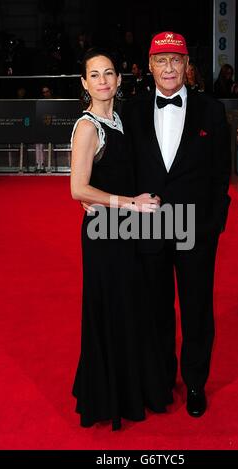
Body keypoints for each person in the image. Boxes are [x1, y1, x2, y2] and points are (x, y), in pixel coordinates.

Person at [123, 32, 231, 417]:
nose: (169, 68)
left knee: (197, 307)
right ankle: (162, 378)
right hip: (148, 226)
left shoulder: (211, 111)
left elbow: (222, 174)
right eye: (161, 60)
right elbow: (123, 171)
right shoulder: (132, 112)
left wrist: (214, 224)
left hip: (196, 230)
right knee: (154, 308)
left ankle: (196, 382)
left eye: (176, 60)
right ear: (149, 66)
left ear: (188, 66)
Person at [70, 47, 171, 431]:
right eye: (94, 75)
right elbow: (78, 189)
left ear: (119, 79)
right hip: (104, 237)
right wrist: (130, 203)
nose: (103, 81)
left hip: (128, 232)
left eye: (109, 73)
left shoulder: (123, 119)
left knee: (132, 307)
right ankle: (112, 396)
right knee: (111, 310)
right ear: (84, 84)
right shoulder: (86, 127)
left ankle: (136, 387)